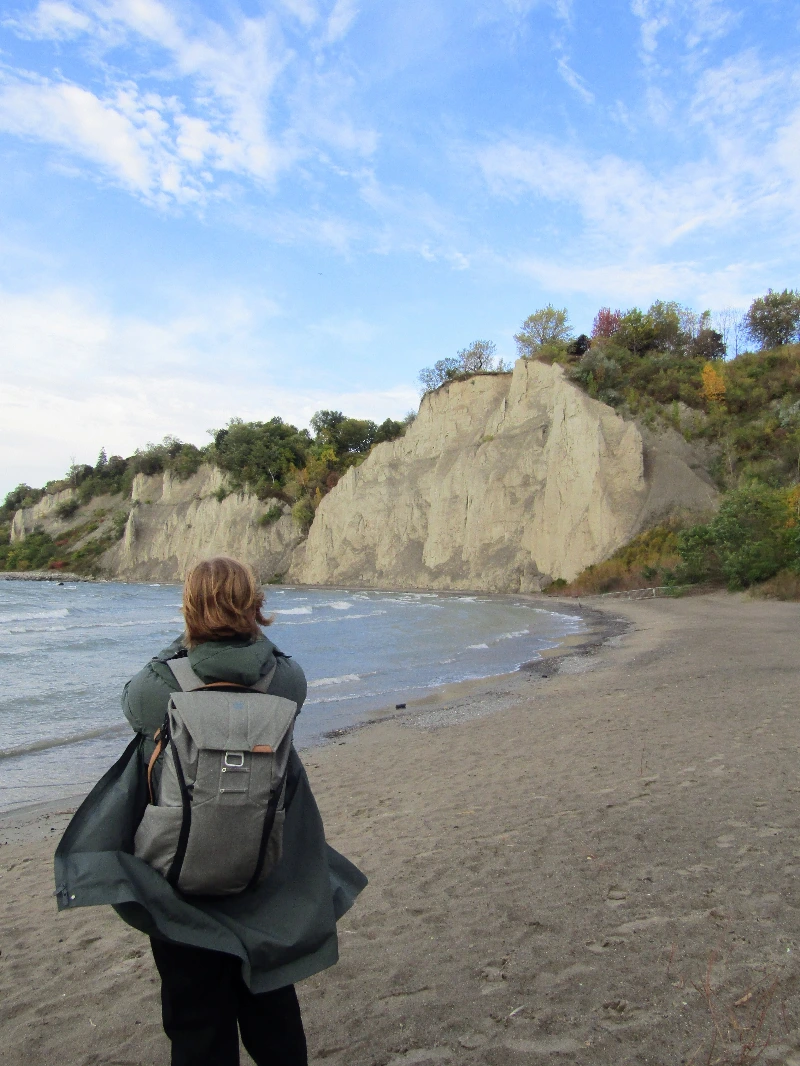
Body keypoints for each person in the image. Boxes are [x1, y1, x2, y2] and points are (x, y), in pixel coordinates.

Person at [54, 557, 367, 1066]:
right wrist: (249, 634)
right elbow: (273, 660)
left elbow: (132, 702)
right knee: (272, 1008)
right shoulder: (286, 679)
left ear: (189, 609)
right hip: (266, 868)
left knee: (196, 1021)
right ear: (255, 606)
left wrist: (187, 640)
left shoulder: (160, 688)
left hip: (180, 882)